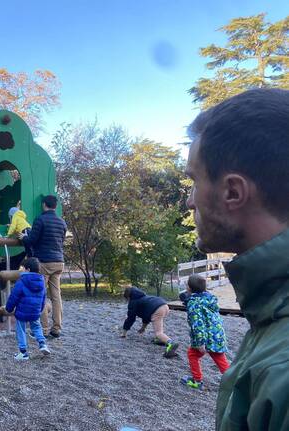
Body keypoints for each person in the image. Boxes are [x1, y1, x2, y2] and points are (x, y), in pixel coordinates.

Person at [185, 88, 289, 430]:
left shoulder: (281, 369)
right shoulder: (271, 311)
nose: (189, 201)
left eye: (194, 181)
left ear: (232, 192)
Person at [19, 195, 67, 338]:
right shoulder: (61, 222)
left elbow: (32, 240)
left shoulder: (40, 220)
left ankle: (44, 330)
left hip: (44, 263)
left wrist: (24, 238)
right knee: (56, 296)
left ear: (44, 205)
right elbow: (61, 241)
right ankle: (57, 328)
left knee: (40, 296)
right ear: (55, 206)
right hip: (59, 262)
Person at [180, 275, 230, 390]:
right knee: (221, 360)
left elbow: (197, 324)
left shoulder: (194, 304)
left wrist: (201, 342)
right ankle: (233, 382)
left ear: (189, 288)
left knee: (192, 354)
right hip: (217, 335)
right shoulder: (209, 298)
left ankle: (197, 381)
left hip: (205, 338)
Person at [0, 257, 51, 361]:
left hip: (22, 312)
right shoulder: (42, 282)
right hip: (35, 312)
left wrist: (9, 308)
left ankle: (23, 353)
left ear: (28, 269)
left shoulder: (22, 281)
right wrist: (39, 310)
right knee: (37, 327)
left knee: (21, 330)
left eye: (23, 268)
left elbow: (14, 296)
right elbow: (43, 298)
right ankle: (42, 344)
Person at [120, 287, 179, 358]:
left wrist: (124, 333)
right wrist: (143, 328)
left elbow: (130, 319)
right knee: (158, 323)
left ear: (128, 297)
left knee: (158, 333)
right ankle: (160, 339)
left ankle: (171, 344)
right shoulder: (144, 298)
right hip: (165, 306)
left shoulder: (133, 302)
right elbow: (146, 315)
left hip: (157, 310)